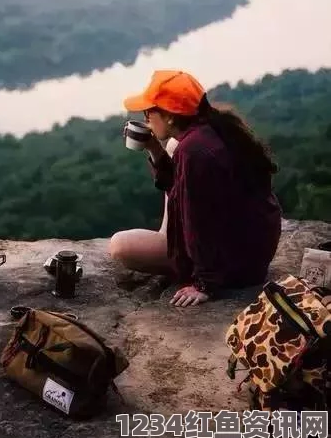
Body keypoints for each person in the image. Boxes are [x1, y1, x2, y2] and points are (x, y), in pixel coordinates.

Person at [109, 70, 282, 307]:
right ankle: (170, 242)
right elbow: (182, 188)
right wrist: (153, 148)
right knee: (171, 146)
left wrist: (204, 284)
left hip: (235, 263)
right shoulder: (211, 130)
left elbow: (198, 222)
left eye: (149, 111)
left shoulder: (194, 152)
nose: (146, 118)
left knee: (120, 246)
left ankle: (177, 251)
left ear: (170, 116)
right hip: (249, 247)